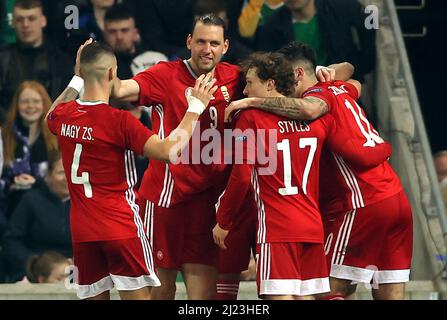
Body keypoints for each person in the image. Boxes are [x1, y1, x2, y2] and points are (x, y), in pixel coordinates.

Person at [224, 42, 412, 300]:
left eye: (286, 78)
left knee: (325, 291)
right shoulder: (337, 89)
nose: (284, 85)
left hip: (362, 201)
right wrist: (330, 70)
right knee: (390, 289)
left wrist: (253, 101)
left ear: (298, 74)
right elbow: (353, 75)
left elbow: (310, 108)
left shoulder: (316, 103)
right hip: (396, 197)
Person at [45, 39, 217, 300]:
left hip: (82, 232)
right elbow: (169, 151)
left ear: (82, 72)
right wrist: (195, 107)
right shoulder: (119, 121)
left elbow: (51, 114)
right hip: (120, 228)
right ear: (113, 73)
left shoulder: (64, 115)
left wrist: (76, 78)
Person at [111, 14, 241, 300]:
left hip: (208, 203)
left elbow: (280, 80)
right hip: (164, 199)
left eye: (215, 43)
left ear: (225, 47)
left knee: (204, 296)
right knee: (161, 290)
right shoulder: (164, 74)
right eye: (201, 41)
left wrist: (321, 70)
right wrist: (94, 69)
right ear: (189, 42)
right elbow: (119, 89)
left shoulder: (236, 77)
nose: (207, 49)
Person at [255, 0, 375, 82]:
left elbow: (371, 13)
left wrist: (364, 63)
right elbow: (267, 64)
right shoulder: (271, 28)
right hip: (301, 93)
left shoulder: (337, 7)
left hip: (342, 82)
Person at [1, 150, 71, 282]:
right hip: (36, 275)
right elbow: (11, 242)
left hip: (76, 274)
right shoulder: (31, 201)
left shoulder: (85, 204)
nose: (67, 178)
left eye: (71, 172)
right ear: (48, 175)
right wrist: (35, 264)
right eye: (61, 172)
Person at [0, 0, 73, 119]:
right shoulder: (2, 59)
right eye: (20, 19)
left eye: (31, 18)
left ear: (43, 21)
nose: (25, 25)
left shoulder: (62, 62)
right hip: (7, 132)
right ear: (12, 23)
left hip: (51, 131)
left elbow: (69, 103)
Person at [0, 80, 59, 216]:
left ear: (44, 104)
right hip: (8, 209)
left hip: (46, 211)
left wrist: (36, 182)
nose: (30, 106)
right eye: (25, 101)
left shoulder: (56, 136)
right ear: (17, 105)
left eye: (36, 101)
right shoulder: (3, 135)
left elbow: (62, 178)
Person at [103, 3, 168, 80]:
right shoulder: (99, 65)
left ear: (135, 33)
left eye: (124, 30)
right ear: (104, 35)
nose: (119, 37)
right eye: (112, 31)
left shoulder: (156, 59)